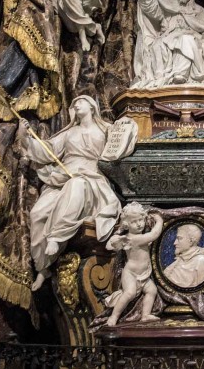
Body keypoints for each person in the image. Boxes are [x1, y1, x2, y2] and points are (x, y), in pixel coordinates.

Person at [17, 96, 136, 291]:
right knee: (37, 214)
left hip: (91, 179)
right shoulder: (69, 133)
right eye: (73, 103)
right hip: (63, 176)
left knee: (77, 185)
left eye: (79, 101)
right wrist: (25, 137)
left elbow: (121, 144)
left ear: (92, 105)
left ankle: (56, 236)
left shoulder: (106, 129)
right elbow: (47, 150)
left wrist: (126, 127)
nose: (75, 104)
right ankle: (43, 267)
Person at [104, 202, 164, 326]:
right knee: (129, 293)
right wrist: (159, 221)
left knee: (152, 290)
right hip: (131, 273)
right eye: (134, 222)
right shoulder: (134, 239)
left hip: (144, 274)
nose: (139, 224)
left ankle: (145, 315)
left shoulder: (133, 237)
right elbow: (154, 234)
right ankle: (113, 317)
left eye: (141, 220)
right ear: (126, 224)